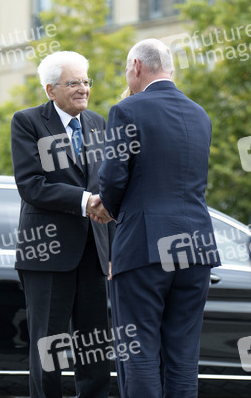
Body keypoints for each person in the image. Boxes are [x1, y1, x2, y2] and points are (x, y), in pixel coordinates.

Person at [93, 39, 221, 398]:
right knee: (183, 357)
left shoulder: (127, 110)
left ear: (136, 66)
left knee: (140, 353)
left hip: (145, 247)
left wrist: (107, 208)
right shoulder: (200, 114)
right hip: (196, 247)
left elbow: (113, 178)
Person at [11, 51, 113, 398]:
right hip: (48, 253)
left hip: (95, 256)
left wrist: (112, 251)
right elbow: (31, 184)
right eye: (74, 83)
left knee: (95, 347)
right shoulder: (27, 122)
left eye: (86, 81)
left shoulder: (99, 123)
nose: (83, 89)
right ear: (50, 89)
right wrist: (87, 201)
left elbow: (107, 185)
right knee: (49, 350)